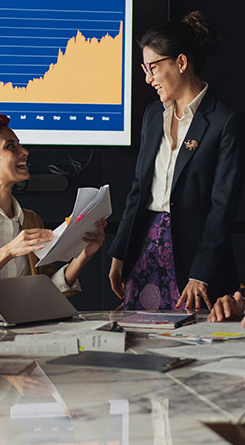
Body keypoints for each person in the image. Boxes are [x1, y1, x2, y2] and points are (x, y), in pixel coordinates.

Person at [108, 11, 245, 312]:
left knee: (194, 347)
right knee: (141, 344)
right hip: (147, 248)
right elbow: (138, 190)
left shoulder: (224, 122)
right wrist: (119, 254)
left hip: (196, 259)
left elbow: (223, 207)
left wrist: (201, 273)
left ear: (181, 63)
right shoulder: (153, 116)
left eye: (153, 68)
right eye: (145, 69)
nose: (148, 79)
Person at [0, 113, 106, 314]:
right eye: (10, 146)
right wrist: (8, 251)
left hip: (26, 333)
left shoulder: (31, 219)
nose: (24, 152)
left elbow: (47, 290)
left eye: (20, 145)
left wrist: (84, 255)